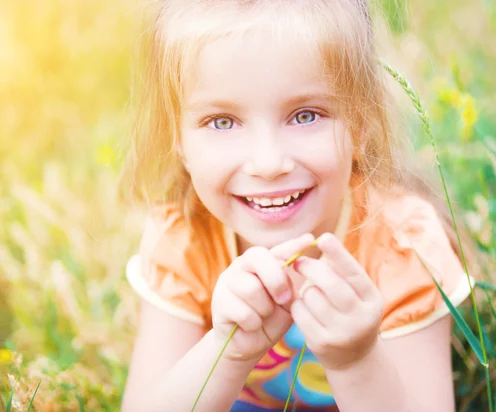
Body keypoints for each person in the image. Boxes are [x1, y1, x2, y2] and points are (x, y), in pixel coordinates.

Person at [119, 0, 476, 410]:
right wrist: (227, 350)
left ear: (361, 121)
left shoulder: (400, 246)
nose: (269, 164)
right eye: (222, 121)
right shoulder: (185, 240)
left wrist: (355, 360)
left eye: (306, 116)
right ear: (178, 140)